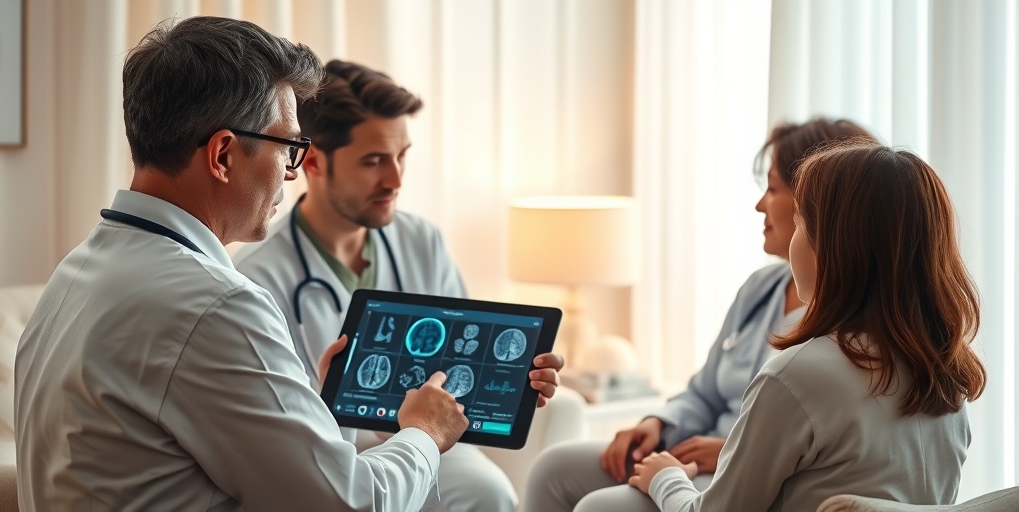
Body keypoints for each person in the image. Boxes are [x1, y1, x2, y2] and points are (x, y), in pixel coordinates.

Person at [13, 17, 559, 512]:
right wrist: (423, 432)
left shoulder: (80, 272)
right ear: (223, 155)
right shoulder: (215, 304)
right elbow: (349, 505)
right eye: (288, 148)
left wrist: (323, 407)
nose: (292, 173)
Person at [232, 59, 564, 512]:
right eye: (373, 161)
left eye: (401, 155)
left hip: (429, 442)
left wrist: (511, 384)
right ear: (313, 162)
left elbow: (462, 366)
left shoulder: (420, 241)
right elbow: (282, 437)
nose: (395, 180)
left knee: (488, 491)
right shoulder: (258, 277)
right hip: (330, 457)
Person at [524, 117, 875, 512]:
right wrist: (658, 424)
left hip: (743, 471)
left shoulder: (840, 335)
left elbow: (813, 450)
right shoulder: (760, 289)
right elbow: (705, 391)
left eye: (773, 188)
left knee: (603, 506)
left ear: (816, 203)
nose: (760, 204)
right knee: (553, 468)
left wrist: (726, 450)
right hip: (697, 455)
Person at [628, 141, 986, 510]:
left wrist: (665, 477)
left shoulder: (794, 378)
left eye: (799, 221)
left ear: (833, 245)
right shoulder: (947, 380)